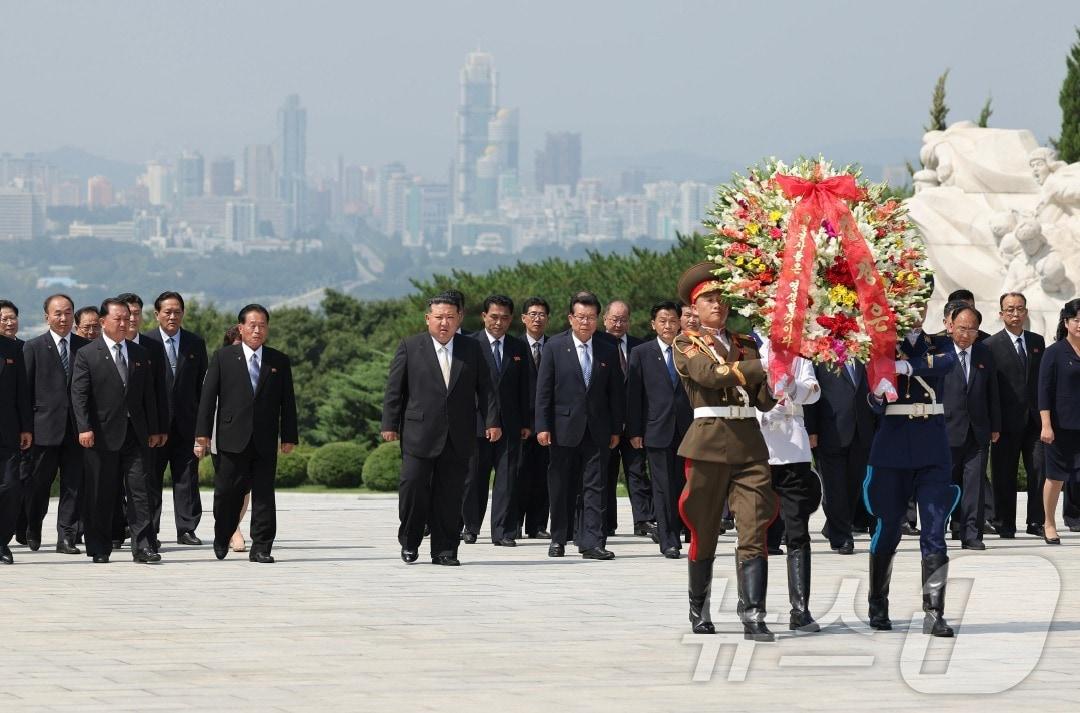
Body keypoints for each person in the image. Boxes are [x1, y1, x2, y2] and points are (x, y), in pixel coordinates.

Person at [673, 263, 778, 641]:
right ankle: (698, 606)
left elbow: (763, 401)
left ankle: (753, 612)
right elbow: (708, 376)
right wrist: (761, 366)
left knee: (754, 528)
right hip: (708, 442)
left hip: (748, 442)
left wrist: (782, 373)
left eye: (721, 298)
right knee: (704, 530)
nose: (717, 304)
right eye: (708, 299)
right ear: (694, 307)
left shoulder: (746, 343)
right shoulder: (686, 343)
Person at [863, 295, 960, 638]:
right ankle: (878, 603)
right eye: (908, 302)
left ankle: (935, 612)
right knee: (888, 528)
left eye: (920, 303)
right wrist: (878, 390)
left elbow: (947, 363)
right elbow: (873, 405)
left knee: (934, 530)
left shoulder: (941, 342)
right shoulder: (879, 346)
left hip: (931, 447)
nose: (915, 311)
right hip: (892, 448)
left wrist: (906, 367)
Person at [381, 294, 500, 566]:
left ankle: (445, 550)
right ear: (428, 319)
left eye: (450, 317)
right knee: (412, 489)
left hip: (458, 434)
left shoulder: (472, 349)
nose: (444, 323)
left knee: (450, 494)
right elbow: (394, 389)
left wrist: (492, 421)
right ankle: (410, 541)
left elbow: (487, 388)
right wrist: (389, 423)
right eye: (438, 317)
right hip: (418, 433)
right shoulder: (410, 347)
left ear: (459, 318)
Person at [195, 304, 298, 563]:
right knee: (227, 493)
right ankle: (223, 534)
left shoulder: (279, 361)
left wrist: (288, 436)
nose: (257, 330)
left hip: (264, 439)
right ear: (241, 328)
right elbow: (208, 400)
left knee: (264, 494)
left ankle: (262, 546)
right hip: (231, 438)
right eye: (252, 325)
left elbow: (288, 401)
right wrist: (202, 434)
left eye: (262, 325)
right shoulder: (223, 357)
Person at [70, 297, 161, 564]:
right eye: (118, 318)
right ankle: (99, 546)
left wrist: (154, 428)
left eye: (128, 318)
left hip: (136, 433)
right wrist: (84, 427)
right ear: (103, 321)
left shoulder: (140, 354)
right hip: (100, 434)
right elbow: (79, 394)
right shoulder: (87, 354)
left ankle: (143, 545)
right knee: (101, 491)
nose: (125, 323)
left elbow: (149, 396)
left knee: (140, 490)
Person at [535, 291, 624, 560]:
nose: (585, 322)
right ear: (571, 318)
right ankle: (559, 538)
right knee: (562, 485)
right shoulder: (554, 347)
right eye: (581, 317)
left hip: (598, 429)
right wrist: (542, 425)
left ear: (598, 319)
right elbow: (544, 391)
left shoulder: (608, 346)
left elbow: (616, 392)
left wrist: (616, 429)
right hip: (563, 429)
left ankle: (592, 542)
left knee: (595, 487)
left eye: (591, 317)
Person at [756, 338, 823, 631]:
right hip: (757, 447)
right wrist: (764, 410)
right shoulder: (748, 349)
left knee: (797, 530)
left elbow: (813, 390)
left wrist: (793, 388)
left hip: (793, 447)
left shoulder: (798, 352)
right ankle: (752, 603)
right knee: (752, 530)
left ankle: (800, 608)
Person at [460, 295, 531, 547]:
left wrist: (526, 422)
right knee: (473, 479)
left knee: (507, 479)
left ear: (511, 319)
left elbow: (526, 387)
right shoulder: (469, 344)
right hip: (476, 424)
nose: (498, 322)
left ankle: (503, 531)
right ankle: (470, 526)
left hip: (511, 424)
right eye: (494, 317)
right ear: (484, 317)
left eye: (504, 318)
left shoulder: (518, 347)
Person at [22, 294, 89, 553]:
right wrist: (26, 428)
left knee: (74, 485)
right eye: (58, 313)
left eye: (68, 312)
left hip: (76, 429)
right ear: (47, 317)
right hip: (43, 430)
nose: (63, 318)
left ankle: (66, 537)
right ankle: (33, 526)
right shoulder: (34, 347)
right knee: (39, 484)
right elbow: (25, 392)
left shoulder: (85, 347)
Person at [141, 292, 208, 546]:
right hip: (154, 426)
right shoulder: (145, 342)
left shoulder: (195, 343)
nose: (172, 316)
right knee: (150, 478)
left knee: (187, 477)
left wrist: (203, 428)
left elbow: (203, 388)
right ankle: (150, 529)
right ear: (156, 314)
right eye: (167, 311)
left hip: (186, 424)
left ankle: (187, 529)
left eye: (177, 311)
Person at [627, 301, 693, 558]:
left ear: (680, 322)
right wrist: (635, 431)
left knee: (684, 484)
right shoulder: (642, 353)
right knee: (663, 486)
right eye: (662, 321)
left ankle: (685, 531)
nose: (668, 325)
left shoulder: (690, 350)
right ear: (653, 324)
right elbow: (634, 395)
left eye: (673, 320)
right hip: (657, 429)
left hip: (688, 429)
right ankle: (668, 539)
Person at [938, 305, 1000, 550]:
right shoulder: (938, 352)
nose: (965, 334)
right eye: (962, 328)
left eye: (971, 330)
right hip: (945, 430)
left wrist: (995, 425)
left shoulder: (984, 354)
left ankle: (971, 534)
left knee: (974, 486)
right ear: (950, 326)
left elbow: (992, 392)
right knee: (943, 485)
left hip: (977, 431)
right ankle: (937, 529)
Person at [985, 292, 1046, 538]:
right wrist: (993, 423)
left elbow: (1042, 382)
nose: (1015, 314)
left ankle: (1036, 522)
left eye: (1019, 309)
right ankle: (1005, 523)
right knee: (1003, 474)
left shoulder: (1037, 342)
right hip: (1005, 423)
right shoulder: (990, 346)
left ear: (1026, 312)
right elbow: (990, 388)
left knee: (1039, 471)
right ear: (1001, 314)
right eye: (1009, 309)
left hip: (1034, 422)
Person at [805, 356, 875, 555]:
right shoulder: (821, 358)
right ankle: (842, 537)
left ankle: (835, 525)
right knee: (835, 488)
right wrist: (812, 431)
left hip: (861, 432)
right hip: (831, 431)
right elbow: (812, 398)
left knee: (853, 487)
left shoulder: (865, 355)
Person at [598, 300, 653, 537]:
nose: (618, 324)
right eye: (614, 319)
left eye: (623, 319)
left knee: (637, 472)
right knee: (604, 474)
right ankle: (606, 522)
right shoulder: (595, 345)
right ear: (605, 320)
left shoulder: (640, 347)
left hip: (633, 424)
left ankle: (643, 519)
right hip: (605, 422)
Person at [1038, 298, 1080, 544]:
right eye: (1076, 320)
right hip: (1060, 426)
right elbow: (1044, 391)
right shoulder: (1053, 352)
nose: (1079, 325)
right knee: (1055, 477)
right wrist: (1046, 424)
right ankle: (1049, 522)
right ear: (1066, 322)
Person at [209, 326, 250, 551]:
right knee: (226, 488)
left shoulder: (258, 366)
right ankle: (228, 529)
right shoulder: (220, 365)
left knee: (245, 488)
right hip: (221, 439)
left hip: (250, 439)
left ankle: (235, 527)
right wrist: (201, 438)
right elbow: (207, 405)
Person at [517, 297, 551, 539]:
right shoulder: (513, 346)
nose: (537, 318)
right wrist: (522, 423)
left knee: (544, 476)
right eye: (533, 314)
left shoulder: (556, 346)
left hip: (548, 424)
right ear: (523, 318)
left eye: (542, 314)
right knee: (519, 476)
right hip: (520, 425)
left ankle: (538, 525)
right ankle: (515, 523)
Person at [0, 333, 32, 564]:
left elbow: (22, 391)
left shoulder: (12, 348)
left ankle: (2, 541)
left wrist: (26, 428)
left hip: (8, 432)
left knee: (11, 488)